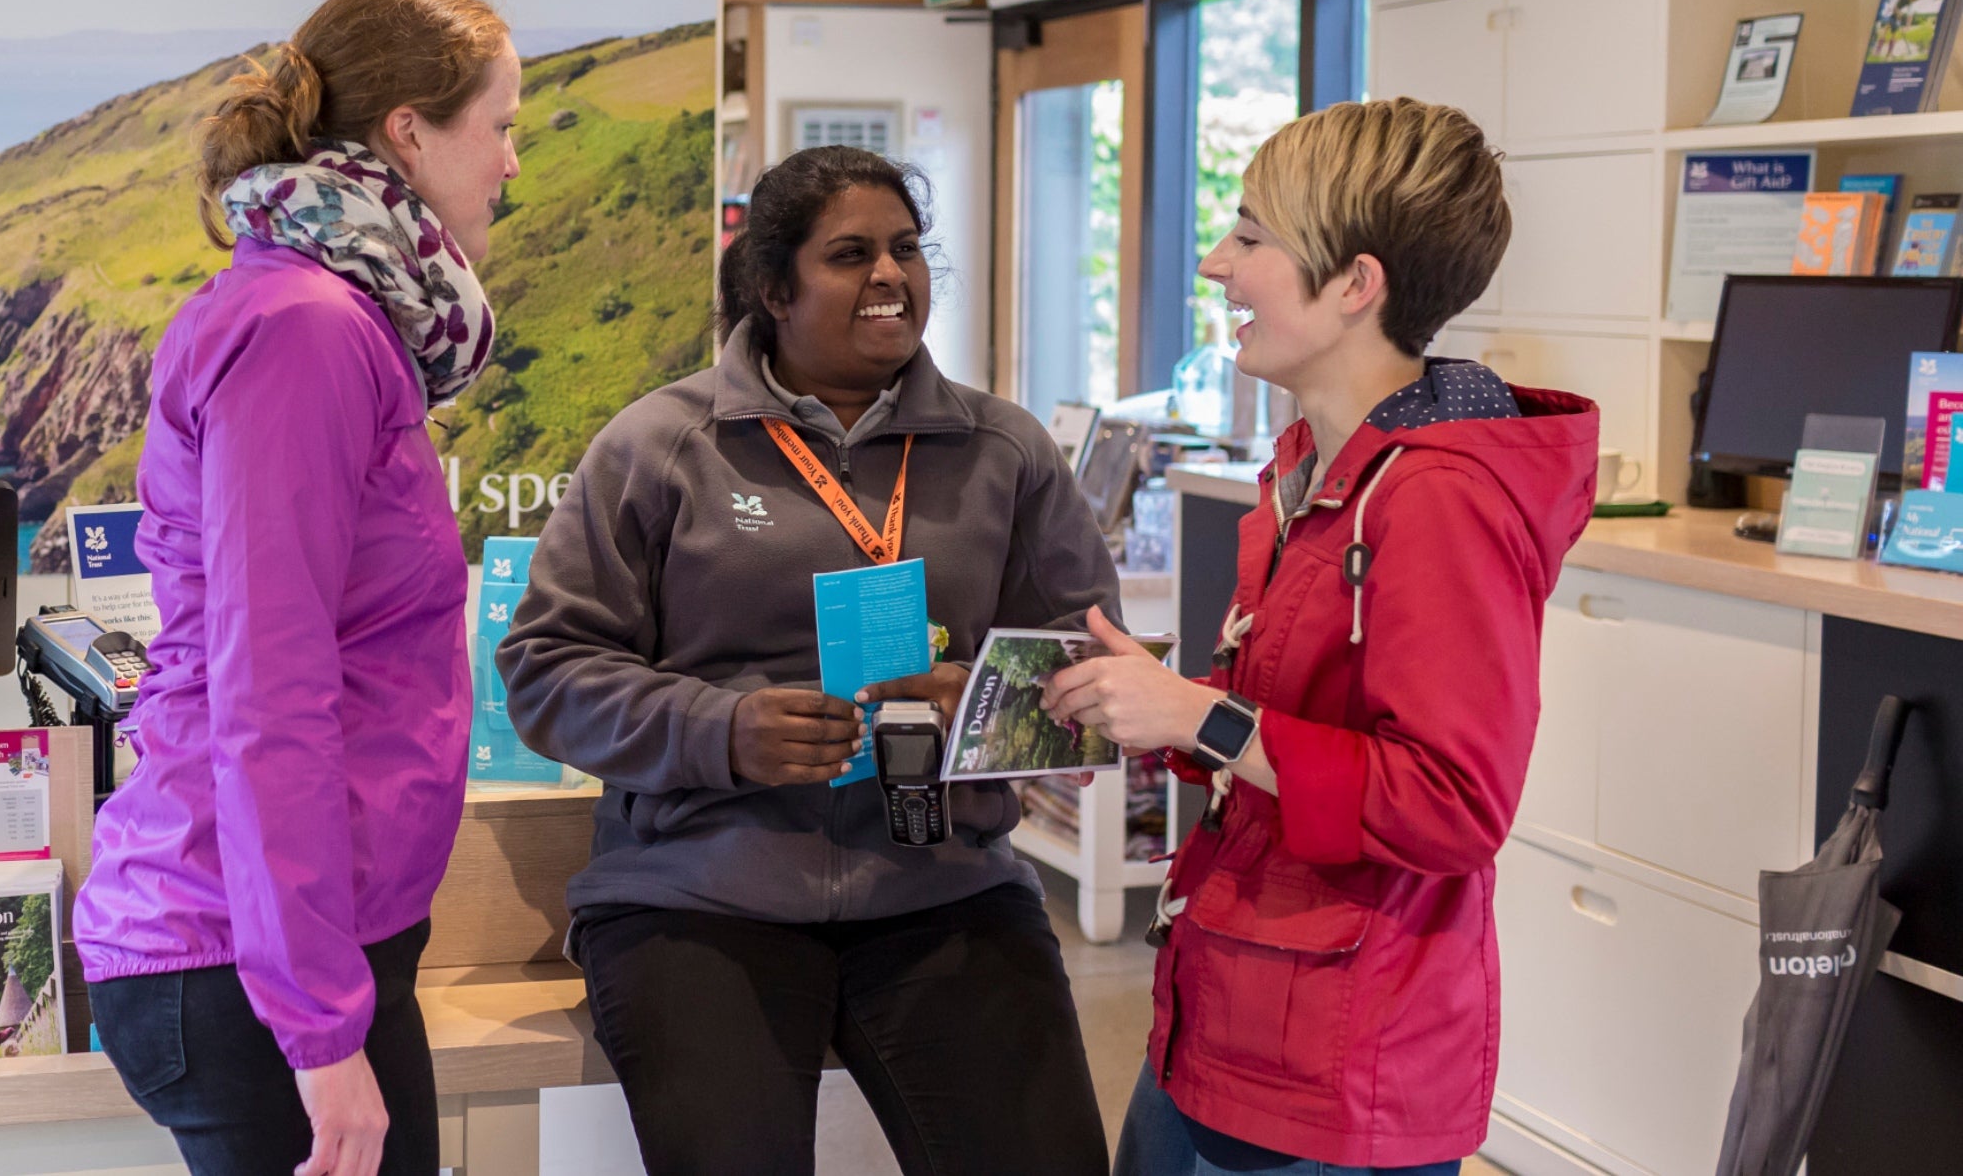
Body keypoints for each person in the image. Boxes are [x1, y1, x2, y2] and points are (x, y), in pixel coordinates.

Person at [498, 146, 1115, 1176]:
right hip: (697, 898)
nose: (890, 274)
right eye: (851, 254)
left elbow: (1099, 686)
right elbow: (547, 670)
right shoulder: (659, 446)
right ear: (774, 287)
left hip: (945, 889)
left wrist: (982, 707)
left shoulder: (1004, 450)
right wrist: (722, 732)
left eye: (907, 249)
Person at [1041, 97, 1598, 1176]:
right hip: (1226, 1012)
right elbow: (1289, 726)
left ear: (1356, 284)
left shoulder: (1440, 502)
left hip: (1338, 1063)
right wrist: (1151, 707)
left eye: (1251, 237)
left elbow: (1452, 803)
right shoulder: (1318, 470)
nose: (1215, 264)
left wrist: (1201, 713)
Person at [75, 0, 522, 1176]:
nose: (513, 164)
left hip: (301, 944)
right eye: (502, 124)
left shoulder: (338, 318)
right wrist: (320, 1031)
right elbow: (268, 692)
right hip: (250, 959)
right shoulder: (308, 331)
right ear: (409, 134)